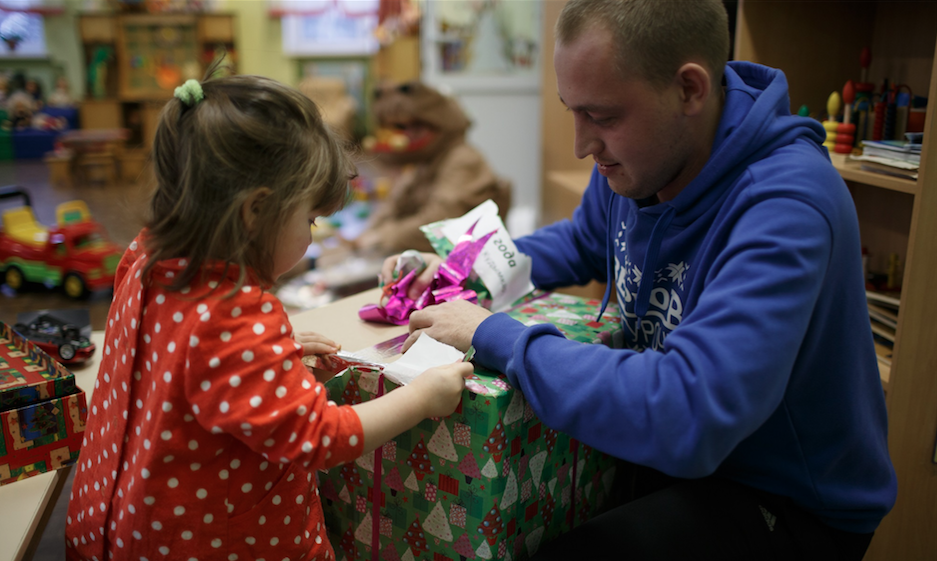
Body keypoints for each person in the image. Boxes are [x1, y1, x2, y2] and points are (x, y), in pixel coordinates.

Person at [381, 1, 897, 559]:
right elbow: (582, 242)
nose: (582, 144)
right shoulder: (643, 159)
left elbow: (688, 413)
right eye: (571, 111)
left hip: (785, 498)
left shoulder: (786, 204)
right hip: (685, 460)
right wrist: (462, 263)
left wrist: (494, 333)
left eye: (601, 117)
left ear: (690, 90)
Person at [65, 66, 473, 561]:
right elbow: (321, 437)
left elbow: (174, 355)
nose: (312, 233)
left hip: (116, 518)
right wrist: (425, 395)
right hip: (212, 542)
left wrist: (259, 359)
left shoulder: (147, 256)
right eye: (310, 218)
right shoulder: (235, 313)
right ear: (255, 212)